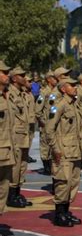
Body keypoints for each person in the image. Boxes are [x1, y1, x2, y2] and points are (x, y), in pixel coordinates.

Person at [45, 77, 82, 226]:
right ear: (63, 89)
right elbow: (49, 129)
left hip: (74, 150)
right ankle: (59, 214)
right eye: (71, 85)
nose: (75, 87)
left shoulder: (73, 104)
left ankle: (66, 212)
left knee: (73, 183)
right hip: (63, 151)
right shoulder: (58, 106)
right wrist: (55, 148)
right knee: (62, 183)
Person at [6, 67, 32, 208]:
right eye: (21, 75)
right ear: (14, 78)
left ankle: (17, 193)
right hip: (15, 136)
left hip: (24, 135)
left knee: (22, 166)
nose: (24, 77)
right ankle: (11, 195)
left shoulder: (22, 94)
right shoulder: (9, 94)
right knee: (15, 167)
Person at [0, 61, 16, 236]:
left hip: (6, 151)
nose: (7, 74)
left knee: (2, 192)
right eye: (3, 72)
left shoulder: (6, 95)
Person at [35, 70, 56, 175]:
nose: (55, 80)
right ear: (48, 80)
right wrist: (41, 121)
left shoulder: (57, 91)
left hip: (54, 123)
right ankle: (46, 166)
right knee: (45, 145)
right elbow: (38, 109)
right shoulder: (44, 92)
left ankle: (52, 164)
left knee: (53, 144)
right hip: (45, 122)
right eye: (53, 78)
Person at [23, 75, 37, 163]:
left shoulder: (30, 93)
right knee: (24, 140)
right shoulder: (23, 94)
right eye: (29, 81)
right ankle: (24, 155)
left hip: (32, 120)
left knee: (30, 139)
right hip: (25, 121)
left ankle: (26, 154)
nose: (31, 83)